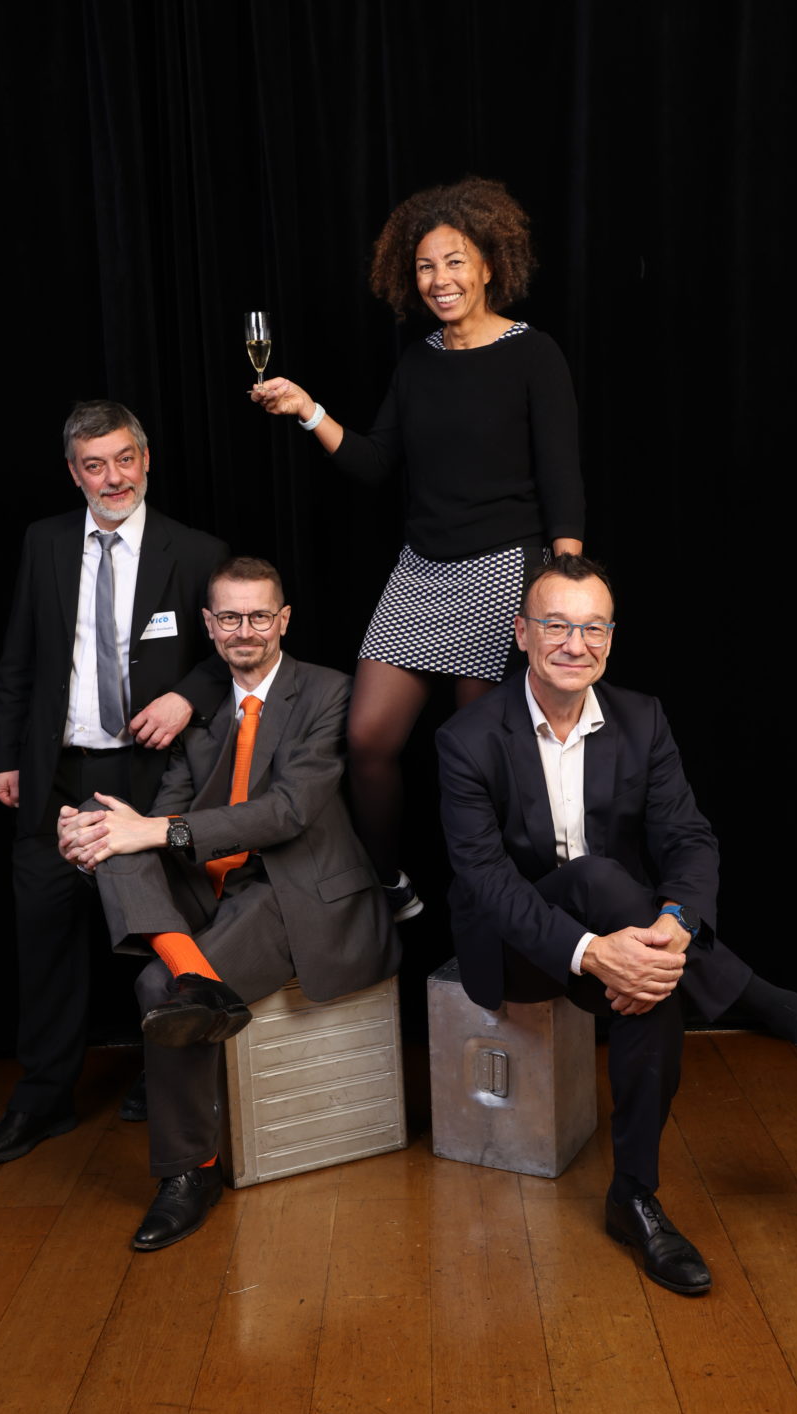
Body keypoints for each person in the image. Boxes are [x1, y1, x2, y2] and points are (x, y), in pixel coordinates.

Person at [436, 554, 797, 1296]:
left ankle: (633, 1199)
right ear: (522, 634)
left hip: (626, 931)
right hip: (514, 949)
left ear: (611, 637)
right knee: (603, 882)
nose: (576, 644)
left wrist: (671, 924)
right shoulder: (468, 737)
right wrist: (590, 950)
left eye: (594, 628)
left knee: (650, 967)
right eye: (557, 625)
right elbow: (488, 883)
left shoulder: (642, 719)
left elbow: (690, 840)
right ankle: (790, 1017)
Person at [252, 176, 585, 919]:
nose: (440, 279)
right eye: (426, 266)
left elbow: (561, 478)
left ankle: (493, 911)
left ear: (489, 265)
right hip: (422, 570)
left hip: (505, 572)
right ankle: (390, 888)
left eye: (455, 262)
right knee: (368, 738)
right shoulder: (418, 361)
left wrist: (562, 585)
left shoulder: (534, 355)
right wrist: (307, 409)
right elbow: (375, 462)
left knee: (477, 759)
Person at [57, 556, 401, 1251]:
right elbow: (167, 814)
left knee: (157, 986)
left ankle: (192, 1173)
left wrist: (152, 831)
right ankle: (197, 978)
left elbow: (288, 811)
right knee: (104, 823)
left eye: (260, 616)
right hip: (211, 884)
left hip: (293, 889)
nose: (246, 630)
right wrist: (98, 837)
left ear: (284, 620)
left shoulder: (327, 692)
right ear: (210, 626)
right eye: (231, 617)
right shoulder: (201, 712)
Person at [0, 400, 230, 1166]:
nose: (112, 478)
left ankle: (160, 1075)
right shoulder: (45, 542)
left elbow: (232, 653)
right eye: (94, 465)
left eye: (123, 460)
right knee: (45, 935)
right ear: (74, 473)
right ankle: (42, 1098)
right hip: (55, 775)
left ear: (145, 460)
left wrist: (187, 698)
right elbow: (19, 658)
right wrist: (7, 757)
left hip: (150, 779)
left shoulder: (196, 550)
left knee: (153, 934)